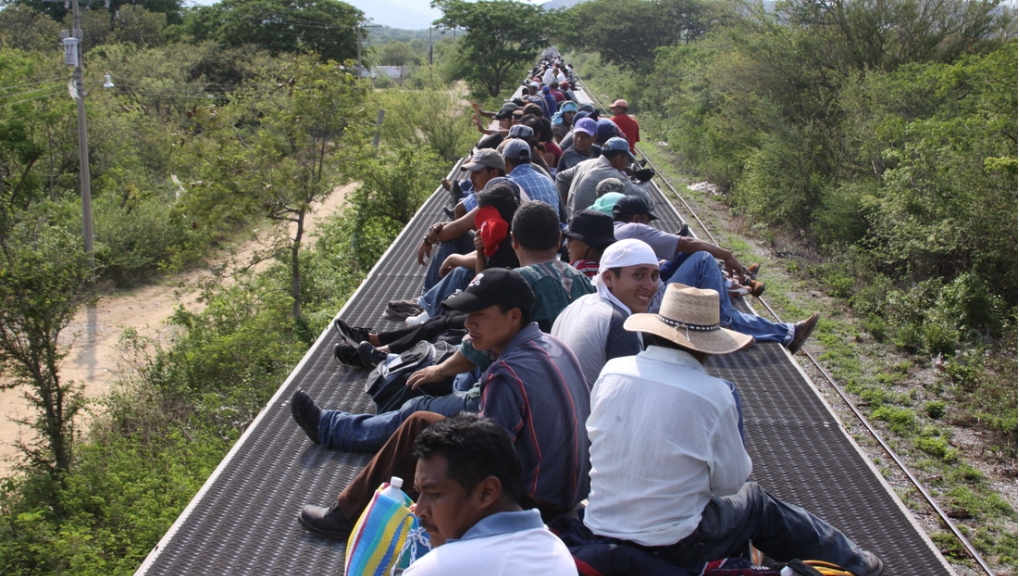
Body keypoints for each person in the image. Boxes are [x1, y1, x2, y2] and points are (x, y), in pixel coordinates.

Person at [583, 284, 884, 576]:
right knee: (754, 501)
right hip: (673, 545)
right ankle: (854, 562)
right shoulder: (712, 393)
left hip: (599, 526)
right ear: (707, 348)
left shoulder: (613, 371)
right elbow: (729, 483)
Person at [296, 267, 591, 539]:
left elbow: (489, 463)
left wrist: (428, 485)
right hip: (569, 492)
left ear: (514, 316)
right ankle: (358, 501)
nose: (468, 323)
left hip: (538, 504)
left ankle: (348, 517)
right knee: (425, 424)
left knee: (420, 430)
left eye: (480, 314)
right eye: (467, 314)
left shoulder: (506, 375)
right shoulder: (553, 345)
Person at [611, 195, 820, 352]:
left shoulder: (614, 230)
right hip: (645, 302)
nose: (648, 226)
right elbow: (687, 242)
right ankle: (724, 320)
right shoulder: (632, 230)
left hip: (635, 296)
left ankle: (783, 331)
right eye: (647, 221)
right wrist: (727, 255)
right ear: (637, 218)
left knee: (689, 259)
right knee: (703, 259)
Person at [402, 414, 577, 575]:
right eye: (420, 493)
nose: (419, 510)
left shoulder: (441, 568)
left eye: (434, 493)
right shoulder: (554, 548)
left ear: (487, 492)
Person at [552, 238, 654, 386]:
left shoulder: (580, 303)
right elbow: (627, 398)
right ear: (608, 278)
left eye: (655, 276)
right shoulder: (622, 323)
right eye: (638, 275)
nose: (650, 285)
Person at [558, 137, 650, 218]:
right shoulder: (610, 173)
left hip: (571, 219)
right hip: (588, 228)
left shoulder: (586, 163)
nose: (627, 163)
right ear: (619, 158)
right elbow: (647, 201)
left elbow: (560, 177)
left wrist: (567, 206)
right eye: (627, 159)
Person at [562, 209, 616, 278]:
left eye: (570, 239)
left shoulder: (576, 268)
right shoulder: (615, 272)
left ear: (586, 243)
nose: (567, 245)